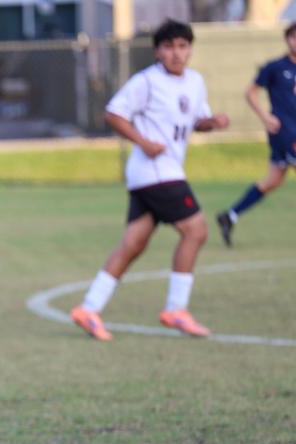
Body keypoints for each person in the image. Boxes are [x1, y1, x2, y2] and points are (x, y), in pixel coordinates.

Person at [70, 20, 229, 342]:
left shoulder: (195, 82)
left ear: (190, 49)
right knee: (196, 230)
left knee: (134, 244)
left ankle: (89, 308)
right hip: (157, 172)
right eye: (169, 47)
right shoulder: (146, 81)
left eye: (182, 46)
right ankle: (176, 309)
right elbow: (113, 114)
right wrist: (143, 142)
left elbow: (196, 121)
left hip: (156, 175)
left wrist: (212, 122)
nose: (176, 53)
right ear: (157, 51)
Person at [216, 22, 296, 246]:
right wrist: (265, 117)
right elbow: (250, 93)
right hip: (284, 132)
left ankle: (230, 215)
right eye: (293, 37)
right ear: (287, 40)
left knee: (272, 181)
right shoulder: (275, 67)